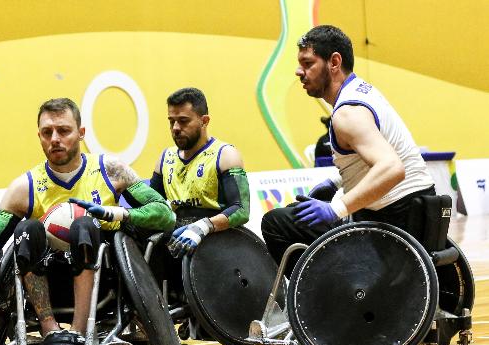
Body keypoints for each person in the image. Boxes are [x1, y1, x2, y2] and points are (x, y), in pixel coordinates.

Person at [0, 98, 174, 345]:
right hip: (48, 278)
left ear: (81, 133)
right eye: (47, 132)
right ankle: (49, 331)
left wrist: (118, 213)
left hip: (105, 276)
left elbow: (165, 214)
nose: (55, 139)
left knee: (83, 226)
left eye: (63, 130)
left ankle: (78, 331)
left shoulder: (110, 171)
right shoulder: (24, 187)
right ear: (39, 136)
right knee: (26, 227)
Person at [260, 25, 435, 269]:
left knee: (275, 222)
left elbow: (392, 167)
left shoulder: (347, 114)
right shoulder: (363, 90)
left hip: (391, 220)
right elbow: (378, 155)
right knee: (297, 213)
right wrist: (335, 183)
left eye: (308, 63)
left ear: (334, 62)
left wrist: (336, 209)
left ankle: (321, 298)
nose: (299, 71)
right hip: (418, 207)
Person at [149, 88, 250, 260]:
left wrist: (203, 227)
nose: (175, 128)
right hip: (177, 234)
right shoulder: (165, 158)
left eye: (183, 121)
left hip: (215, 237)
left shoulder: (226, 155)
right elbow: (151, 206)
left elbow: (241, 210)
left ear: (204, 121)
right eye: (171, 121)